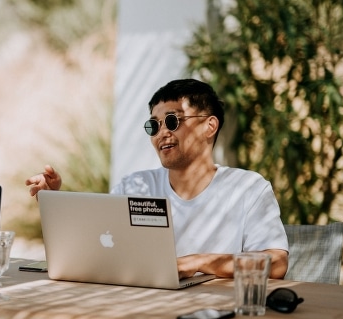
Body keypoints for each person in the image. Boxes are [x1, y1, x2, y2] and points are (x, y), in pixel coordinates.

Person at [26, 79, 288, 279]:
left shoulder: (248, 188)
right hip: (141, 311)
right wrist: (55, 200)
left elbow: (276, 263)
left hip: (216, 317)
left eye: (172, 121)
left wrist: (197, 262)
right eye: (154, 125)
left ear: (210, 126)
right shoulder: (135, 186)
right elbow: (95, 247)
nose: (162, 133)